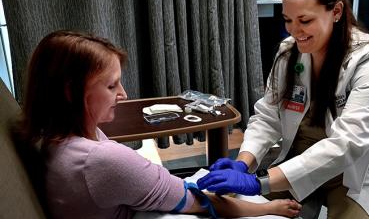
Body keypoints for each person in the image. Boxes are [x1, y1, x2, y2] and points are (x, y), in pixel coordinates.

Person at [18, 30, 301, 219]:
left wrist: (243, 164)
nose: (123, 94)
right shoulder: (100, 159)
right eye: (111, 85)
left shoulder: (52, 137)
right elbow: (202, 202)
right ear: (70, 92)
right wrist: (269, 207)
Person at [197, 0, 369, 218]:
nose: (295, 31)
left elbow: (346, 144)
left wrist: (260, 183)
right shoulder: (289, 53)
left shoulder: (364, 62)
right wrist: (243, 162)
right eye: (288, 19)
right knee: (228, 205)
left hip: (350, 173)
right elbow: (268, 116)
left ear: (337, 11)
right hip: (296, 162)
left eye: (305, 20)